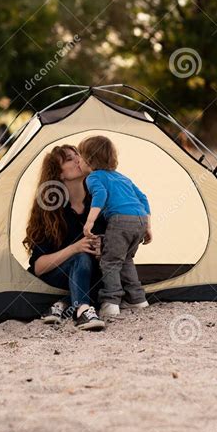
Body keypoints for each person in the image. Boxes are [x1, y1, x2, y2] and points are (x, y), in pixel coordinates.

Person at [23, 144, 106, 331]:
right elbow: (38, 267)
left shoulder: (98, 201)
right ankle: (83, 310)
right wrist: (75, 248)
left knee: (107, 270)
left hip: (92, 275)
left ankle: (62, 304)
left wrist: (103, 249)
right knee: (81, 258)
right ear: (59, 174)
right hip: (56, 277)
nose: (79, 159)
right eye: (69, 159)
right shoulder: (50, 209)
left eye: (79, 155)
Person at [77, 136, 152, 320]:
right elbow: (143, 197)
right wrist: (148, 227)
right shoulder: (122, 177)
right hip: (140, 219)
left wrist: (90, 221)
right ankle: (137, 299)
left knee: (109, 261)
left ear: (90, 160)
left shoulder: (93, 177)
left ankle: (111, 303)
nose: (78, 160)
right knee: (126, 259)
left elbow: (100, 194)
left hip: (120, 221)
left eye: (80, 156)